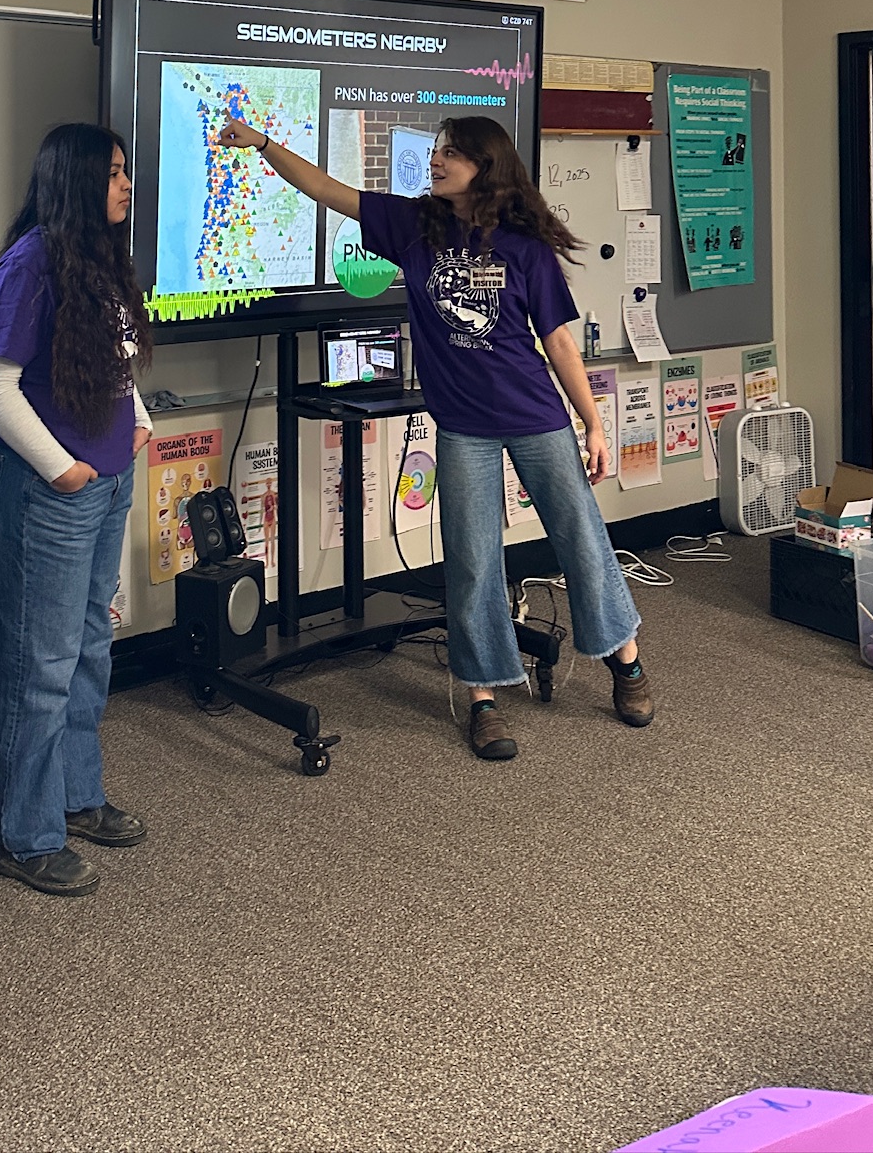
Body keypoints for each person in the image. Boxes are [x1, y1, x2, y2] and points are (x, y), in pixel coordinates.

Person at [218, 111, 651, 759]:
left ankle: (627, 663)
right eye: (439, 150)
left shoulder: (525, 247)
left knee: (581, 540)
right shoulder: (412, 226)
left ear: (486, 166)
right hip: (464, 428)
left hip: (536, 416)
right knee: (473, 563)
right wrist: (263, 145)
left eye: (452, 152)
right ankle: (482, 698)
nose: (437, 159)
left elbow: (559, 341)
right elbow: (324, 189)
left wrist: (593, 422)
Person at [0, 123, 153, 896]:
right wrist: (62, 470)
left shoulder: (96, 260)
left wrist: (138, 417)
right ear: (77, 180)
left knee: (88, 650)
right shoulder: (30, 264)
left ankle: (77, 796)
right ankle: (24, 834)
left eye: (125, 171)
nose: (125, 185)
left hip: (106, 482)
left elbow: (109, 358)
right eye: (113, 173)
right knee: (39, 667)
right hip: (53, 496)